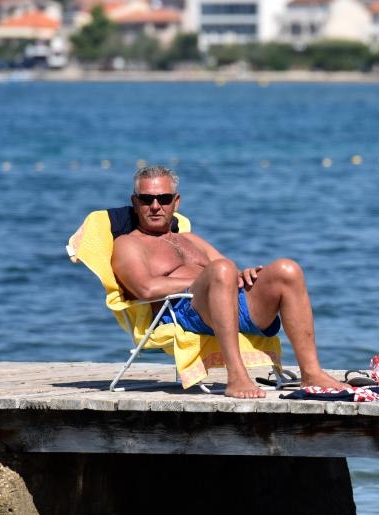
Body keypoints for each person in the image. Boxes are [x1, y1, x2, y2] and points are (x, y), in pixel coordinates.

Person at [112, 165, 347, 399]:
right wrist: (207, 278)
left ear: (176, 202)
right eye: (147, 199)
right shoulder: (129, 244)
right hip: (184, 311)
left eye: (163, 198)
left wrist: (244, 275)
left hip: (228, 302)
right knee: (222, 269)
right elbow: (146, 288)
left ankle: (311, 373)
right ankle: (236, 376)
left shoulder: (190, 239)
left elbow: (229, 272)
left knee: (287, 270)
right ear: (135, 202)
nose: (155, 206)